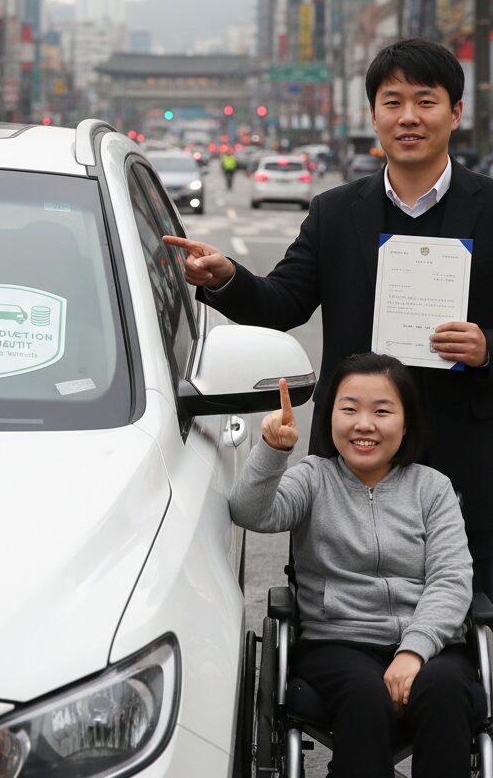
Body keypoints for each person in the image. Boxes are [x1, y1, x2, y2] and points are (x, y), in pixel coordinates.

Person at [163, 39, 493, 593]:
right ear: (373, 116)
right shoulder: (336, 211)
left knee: (463, 614)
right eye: (392, 102)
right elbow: (284, 302)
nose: (408, 117)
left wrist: (487, 346)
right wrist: (225, 277)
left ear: (455, 113)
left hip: (464, 451)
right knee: (337, 611)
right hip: (353, 451)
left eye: (425, 101)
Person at [230, 354, 483, 778]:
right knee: (366, 696)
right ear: (330, 417)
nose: (364, 424)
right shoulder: (313, 479)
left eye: (382, 411)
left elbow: (451, 578)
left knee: (444, 692)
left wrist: (414, 650)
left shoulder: (433, 489)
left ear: (406, 423)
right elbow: (251, 512)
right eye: (349, 409)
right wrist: (273, 451)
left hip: (431, 645)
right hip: (338, 643)